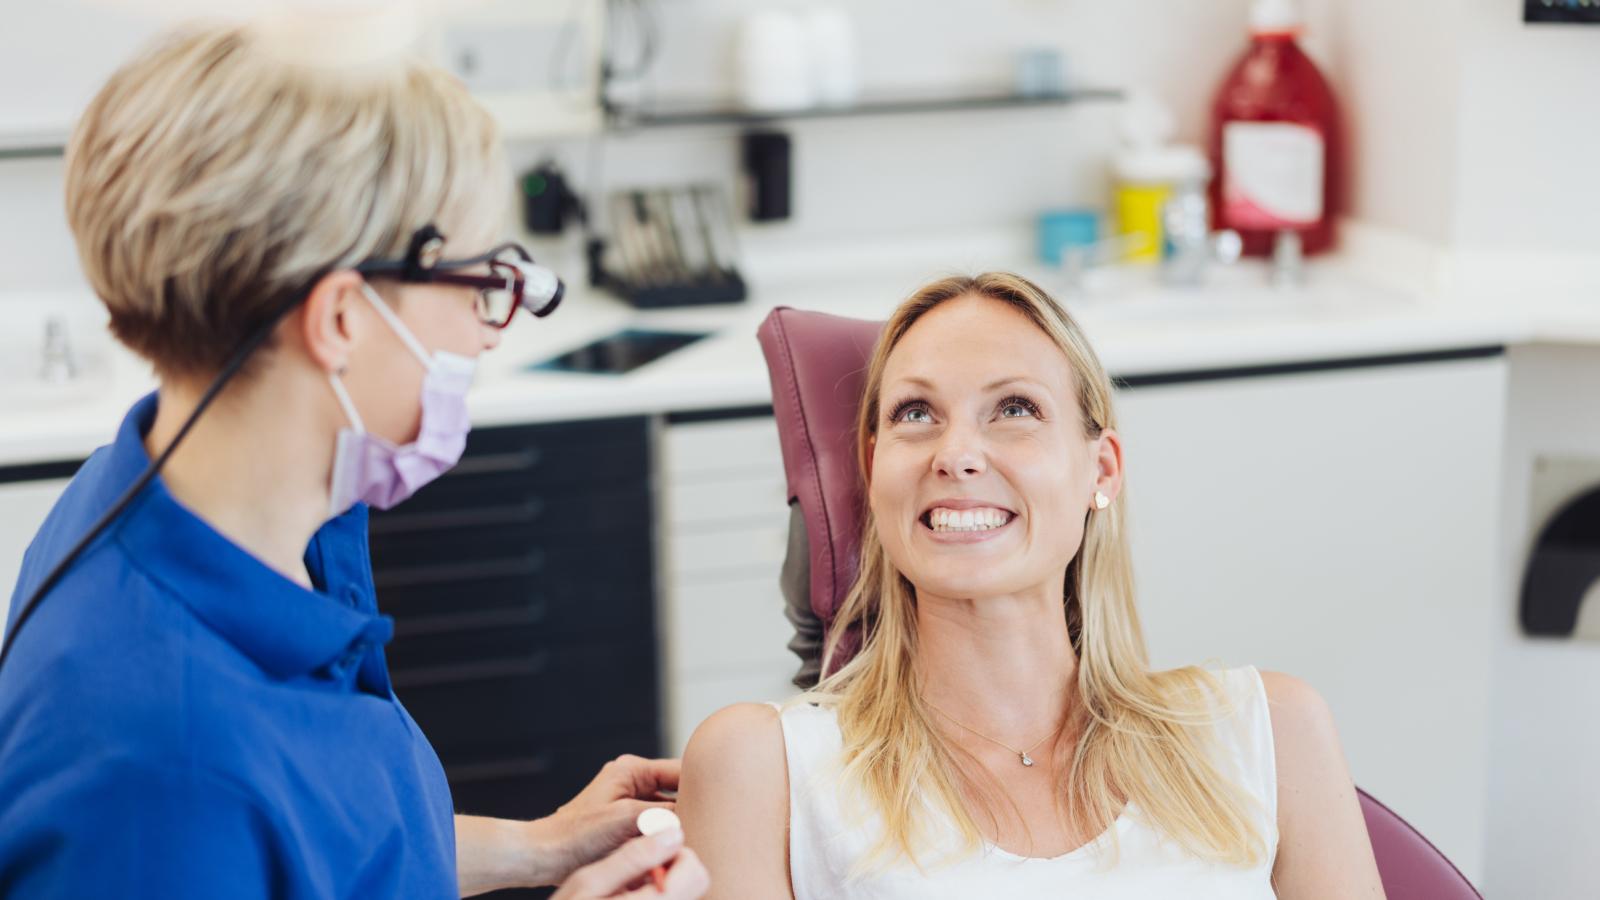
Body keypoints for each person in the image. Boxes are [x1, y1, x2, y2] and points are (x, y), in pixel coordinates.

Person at [0, 22, 706, 900]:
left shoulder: (221, 514)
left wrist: (540, 846)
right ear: (340, 319)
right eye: (482, 283)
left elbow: (323, 848)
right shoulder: (156, 772)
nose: (490, 332)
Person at [678, 273, 1385, 898]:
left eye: (1015, 409)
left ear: (1101, 471)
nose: (955, 455)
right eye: (915, 414)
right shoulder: (762, 769)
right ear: (872, 469)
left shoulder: (1268, 730)